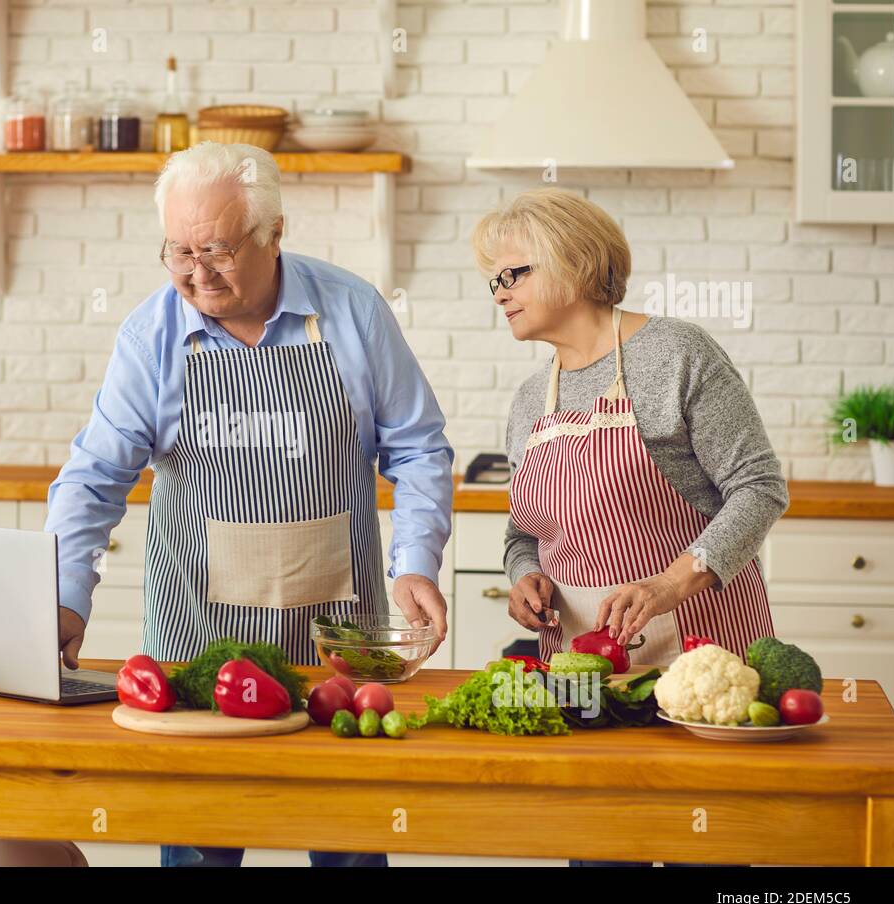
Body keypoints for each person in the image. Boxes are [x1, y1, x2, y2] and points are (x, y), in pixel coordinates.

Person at [45, 141, 454, 867]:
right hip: (199, 638)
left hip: (337, 636)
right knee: (200, 844)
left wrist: (415, 563)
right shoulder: (152, 337)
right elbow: (93, 478)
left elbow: (419, 450)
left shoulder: (353, 311)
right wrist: (63, 597)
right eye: (177, 252)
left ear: (274, 234)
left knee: (348, 844)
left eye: (217, 250)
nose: (196, 274)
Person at [472, 188, 785, 867]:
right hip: (588, 678)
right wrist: (524, 574)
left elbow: (759, 488)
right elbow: (523, 532)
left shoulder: (676, 354)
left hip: (702, 657)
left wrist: (672, 582)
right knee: (601, 848)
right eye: (493, 279)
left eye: (514, 272)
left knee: (711, 846)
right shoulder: (531, 398)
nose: (499, 291)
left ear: (575, 262)